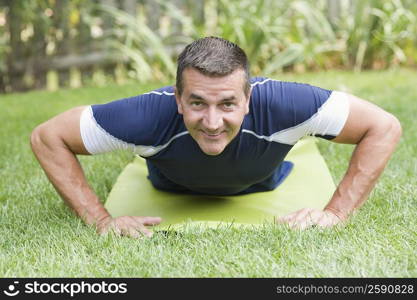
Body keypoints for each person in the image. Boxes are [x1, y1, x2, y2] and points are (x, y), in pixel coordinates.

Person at [30, 37, 402, 238]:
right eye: (196, 103)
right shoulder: (146, 115)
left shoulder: (287, 104)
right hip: (169, 185)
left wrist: (336, 214)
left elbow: (384, 127)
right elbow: (48, 137)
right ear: (177, 99)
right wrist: (101, 221)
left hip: (264, 181)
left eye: (227, 103)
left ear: (249, 98)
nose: (211, 121)